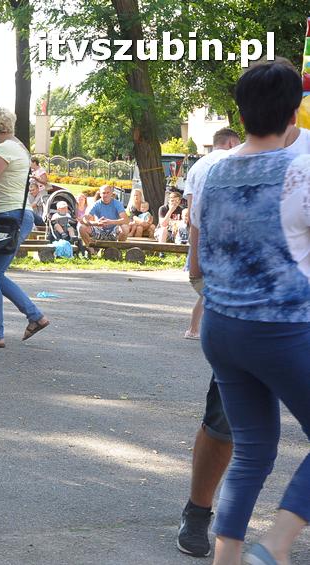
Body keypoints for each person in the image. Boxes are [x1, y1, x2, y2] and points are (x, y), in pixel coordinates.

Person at [190, 61, 310, 565]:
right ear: (293, 113)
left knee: (253, 449)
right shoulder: (301, 172)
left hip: (221, 328)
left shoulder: (210, 172)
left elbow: (196, 262)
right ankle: (277, 546)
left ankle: (226, 558)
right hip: (283, 327)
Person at [0, 107, 49, 348]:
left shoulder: (3, 149)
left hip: (10, 216)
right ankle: (35, 316)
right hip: (18, 214)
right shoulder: (18, 146)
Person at [181, 128, 241, 343]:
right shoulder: (233, 159)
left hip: (200, 234)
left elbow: (191, 207)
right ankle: (215, 333)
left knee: (205, 286)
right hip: (225, 233)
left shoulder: (196, 166)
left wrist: (193, 237)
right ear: (232, 143)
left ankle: (194, 328)